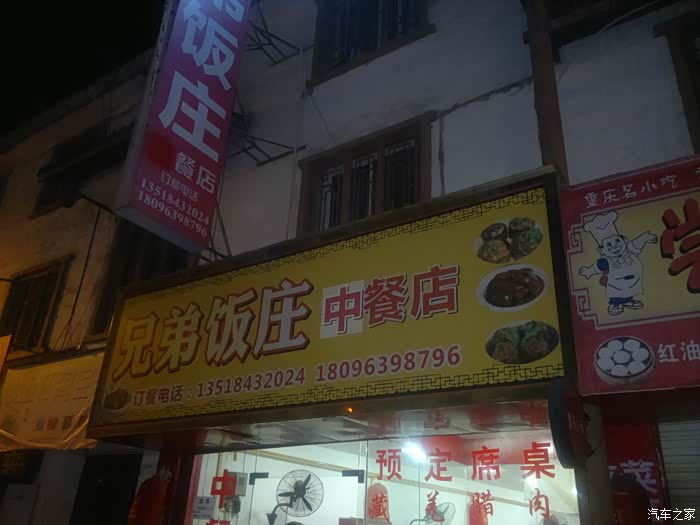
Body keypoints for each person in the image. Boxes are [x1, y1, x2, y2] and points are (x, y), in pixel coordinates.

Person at [578, 211, 657, 315]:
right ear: (602, 250)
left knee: (630, 290)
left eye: (617, 241)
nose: (615, 246)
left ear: (624, 240)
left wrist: (645, 237)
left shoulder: (629, 250)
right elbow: (597, 267)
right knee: (618, 292)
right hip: (616, 284)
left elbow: (637, 243)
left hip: (633, 281)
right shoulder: (606, 261)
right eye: (609, 245)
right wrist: (589, 271)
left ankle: (628, 301)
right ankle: (615, 304)